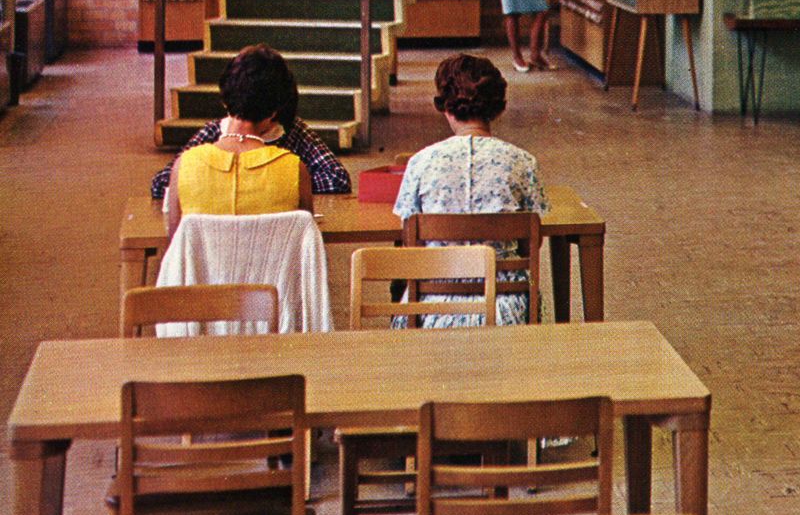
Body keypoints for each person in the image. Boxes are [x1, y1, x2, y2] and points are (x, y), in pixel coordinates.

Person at [392, 53, 548, 326]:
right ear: (499, 108)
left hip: (433, 305)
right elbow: (531, 242)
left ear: (445, 106)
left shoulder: (421, 162)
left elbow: (411, 243)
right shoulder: (523, 162)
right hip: (506, 306)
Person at [151, 44, 348, 205]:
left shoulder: (293, 131)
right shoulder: (214, 132)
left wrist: (272, 183)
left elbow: (338, 178)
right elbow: (161, 183)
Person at [160, 43, 315, 235]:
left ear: (224, 100)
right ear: (275, 111)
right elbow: (302, 248)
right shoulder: (295, 170)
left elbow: (177, 251)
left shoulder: (183, 165)